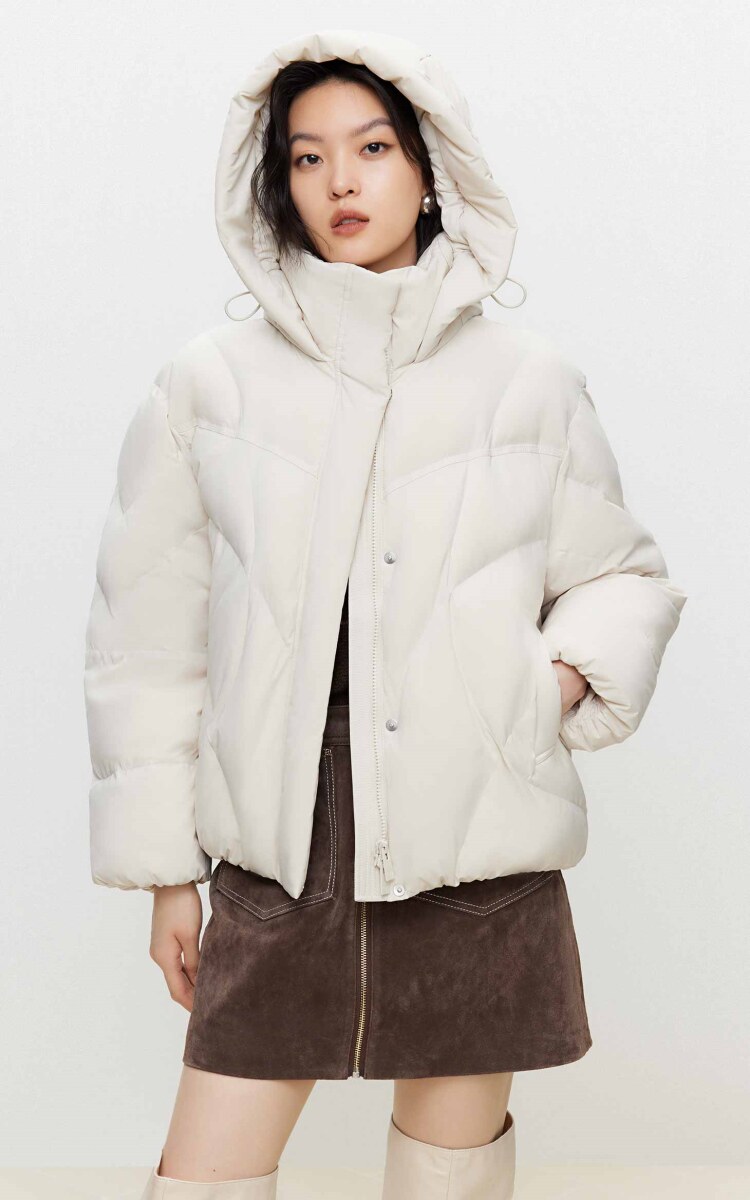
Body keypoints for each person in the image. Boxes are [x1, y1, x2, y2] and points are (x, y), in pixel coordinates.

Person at [82, 28, 688, 1200]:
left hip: (477, 845)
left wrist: (547, 686)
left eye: (370, 149)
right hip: (277, 846)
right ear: (278, 183)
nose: (340, 182)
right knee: (205, 1173)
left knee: (449, 1173)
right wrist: (166, 874)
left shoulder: (528, 380)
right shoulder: (208, 384)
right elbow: (145, 642)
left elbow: (623, 576)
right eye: (307, 157)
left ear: (429, 168)